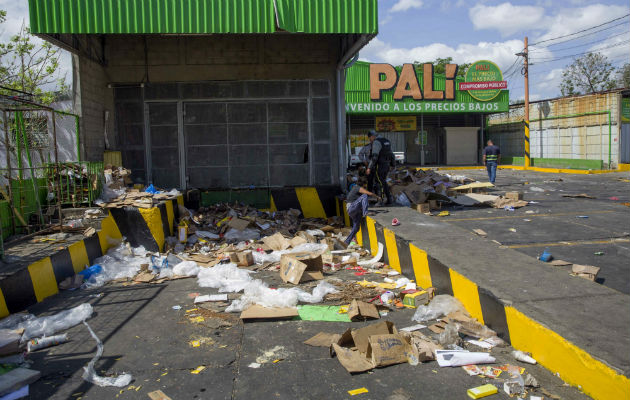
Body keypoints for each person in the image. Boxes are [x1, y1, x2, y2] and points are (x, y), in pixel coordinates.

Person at [366, 130, 395, 205]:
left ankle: (380, 200)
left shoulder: (376, 142)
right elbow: (391, 154)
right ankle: (389, 199)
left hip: (380, 165)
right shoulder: (386, 141)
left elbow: (374, 157)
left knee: (379, 183)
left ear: (373, 136)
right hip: (387, 165)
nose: (370, 140)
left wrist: (369, 167)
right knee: (383, 182)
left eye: (370, 138)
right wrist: (393, 165)